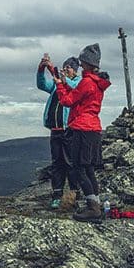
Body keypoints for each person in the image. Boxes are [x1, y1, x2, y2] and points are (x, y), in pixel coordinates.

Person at [54, 42, 111, 222]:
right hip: (94, 128)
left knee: (79, 168)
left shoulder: (86, 82)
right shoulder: (96, 83)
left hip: (81, 128)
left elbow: (68, 101)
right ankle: (96, 205)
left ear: (86, 63)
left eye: (82, 61)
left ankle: (92, 209)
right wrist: (66, 83)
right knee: (89, 169)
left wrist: (60, 86)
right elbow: (81, 94)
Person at [37, 53, 81, 209]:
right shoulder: (57, 86)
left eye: (68, 68)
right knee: (57, 163)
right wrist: (41, 69)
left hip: (69, 129)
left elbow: (73, 87)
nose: (65, 70)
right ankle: (57, 195)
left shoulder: (78, 83)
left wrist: (54, 72)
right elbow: (42, 85)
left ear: (75, 71)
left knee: (70, 162)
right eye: (64, 67)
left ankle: (74, 194)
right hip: (55, 129)